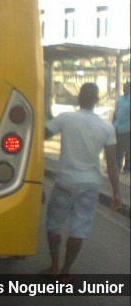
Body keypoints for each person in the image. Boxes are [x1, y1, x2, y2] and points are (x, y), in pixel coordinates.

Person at [41, 82, 121, 279]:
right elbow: (112, 163)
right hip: (90, 184)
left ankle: (54, 267)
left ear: (79, 99)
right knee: (79, 227)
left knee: (54, 225)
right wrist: (116, 192)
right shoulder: (106, 126)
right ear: (97, 101)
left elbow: (41, 135)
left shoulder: (65, 118)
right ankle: (66, 271)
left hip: (65, 182)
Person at [113, 81, 130, 173]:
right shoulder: (119, 99)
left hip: (128, 129)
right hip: (117, 127)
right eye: (123, 87)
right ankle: (117, 167)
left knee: (128, 149)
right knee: (117, 149)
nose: (124, 89)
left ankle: (127, 168)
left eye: (126, 87)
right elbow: (116, 113)